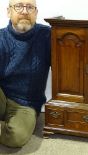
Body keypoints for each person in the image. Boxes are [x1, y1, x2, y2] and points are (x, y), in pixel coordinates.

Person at [0, 0, 51, 147]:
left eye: (29, 7)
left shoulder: (47, 36)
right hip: (2, 96)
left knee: (16, 138)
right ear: (9, 11)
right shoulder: (1, 38)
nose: (24, 11)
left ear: (36, 13)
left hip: (25, 104)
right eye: (18, 6)